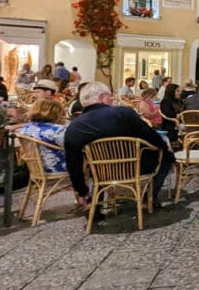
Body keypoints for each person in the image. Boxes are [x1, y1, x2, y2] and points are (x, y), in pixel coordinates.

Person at [64, 82, 174, 210]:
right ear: (103, 97)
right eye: (110, 97)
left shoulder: (75, 126)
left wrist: (81, 191)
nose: (112, 100)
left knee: (97, 162)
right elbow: (150, 136)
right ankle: (149, 197)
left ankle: (94, 203)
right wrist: (165, 147)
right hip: (135, 166)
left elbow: (73, 162)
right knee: (167, 156)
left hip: (101, 172)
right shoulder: (124, 113)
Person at [18, 98, 68, 174]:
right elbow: (72, 146)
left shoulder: (26, 127)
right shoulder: (57, 130)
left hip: (34, 168)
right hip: (57, 167)